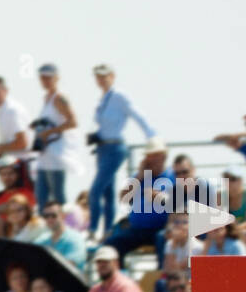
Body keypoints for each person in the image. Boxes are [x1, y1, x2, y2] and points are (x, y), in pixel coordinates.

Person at [87, 64, 155, 239]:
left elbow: (137, 114)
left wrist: (151, 136)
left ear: (112, 76)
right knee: (108, 191)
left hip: (115, 148)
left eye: (104, 76)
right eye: (98, 76)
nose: (101, 80)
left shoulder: (119, 96)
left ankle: (93, 228)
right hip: (103, 147)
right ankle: (107, 230)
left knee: (95, 191)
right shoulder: (103, 98)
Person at [100, 138, 173, 259]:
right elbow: (124, 198)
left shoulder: (172, 176)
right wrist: (139, 176)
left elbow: (179, 203)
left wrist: (160, 197)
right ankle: (119, 276)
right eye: (149, 156)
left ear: (164, 157)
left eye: (155, 155)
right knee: (111, 245)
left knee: (163, 240)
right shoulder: (139, 177)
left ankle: (163, 275)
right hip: (136, 229)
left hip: (160, 229)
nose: (151, 159)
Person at [31, 63, 81, 210]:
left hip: (56, 155)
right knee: (41, 198)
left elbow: (73, 122)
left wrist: (48, 132)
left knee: (59, 199)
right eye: (42, 78)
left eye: (48, 78)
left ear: (56, 78)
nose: (45, 81)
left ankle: (67, 227)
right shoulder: (46, 98)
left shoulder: (59, 98)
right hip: (44, 156)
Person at [0, 76, 33, 170]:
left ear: (6, 91)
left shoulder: (11, 110)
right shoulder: (1, 110)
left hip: (23, 165)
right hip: (13, 165)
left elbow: (22, 142)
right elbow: (10, 141)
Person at [35, 202, 87, 267]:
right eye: (46, 216)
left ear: (63, 216)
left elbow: (68, 267)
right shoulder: (41, 240)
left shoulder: (76, 239)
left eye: (53, 215)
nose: (49, 219)